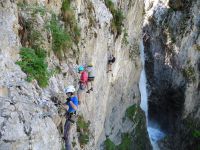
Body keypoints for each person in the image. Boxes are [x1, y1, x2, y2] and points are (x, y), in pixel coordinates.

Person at [61, 85, 79, 150]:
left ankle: (68, 148)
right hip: (69, 116)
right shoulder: (70, 99)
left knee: (67, 131)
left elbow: (75, 108)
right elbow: (65, 104)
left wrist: (70, 101)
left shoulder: (74, 99)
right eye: (67, 93)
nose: (67, 95)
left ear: (71, 93)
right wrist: (59, 103)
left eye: (68, 93)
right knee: (65, 128)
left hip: (72, 117)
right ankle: (65, 140)